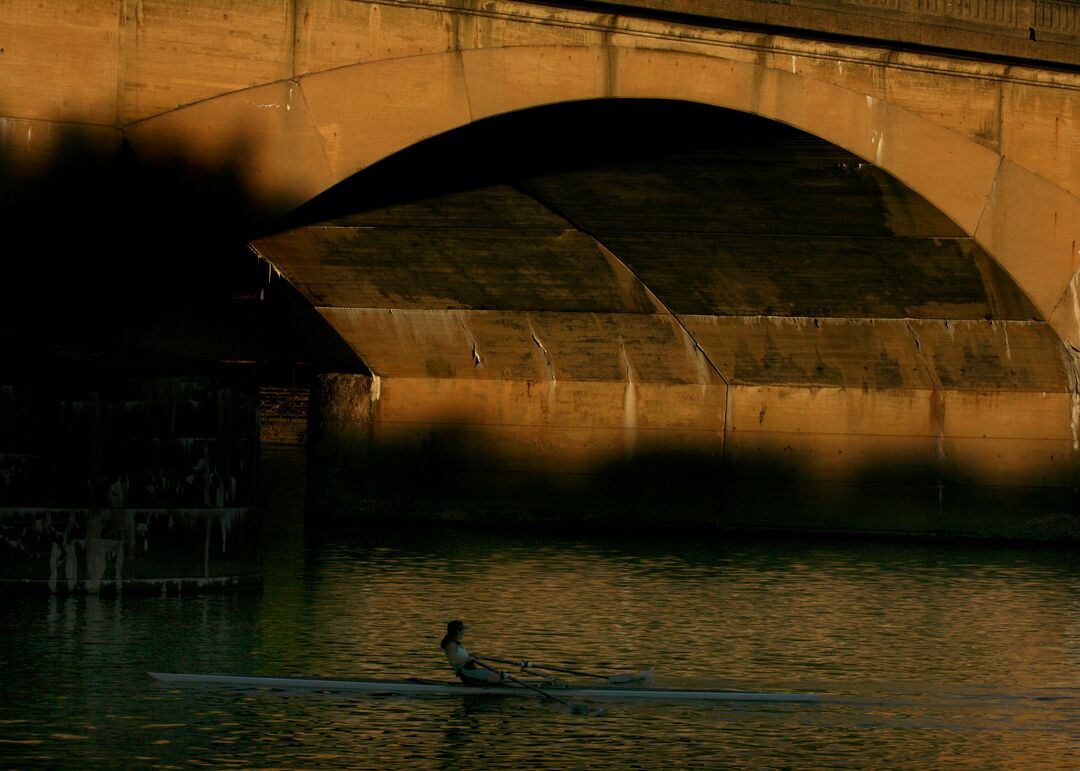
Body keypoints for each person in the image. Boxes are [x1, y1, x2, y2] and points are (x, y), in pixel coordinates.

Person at [440, 620, 504, 685]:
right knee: (499, 678)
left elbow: (462, 657)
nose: (464, 632)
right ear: (458, 631)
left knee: (500, 676)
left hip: (470, 671)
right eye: (463, 630)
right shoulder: (451, 645)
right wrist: (468, 659)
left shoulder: (457, 644)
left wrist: (473, 656)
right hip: (466, 672)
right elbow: (454, 662)